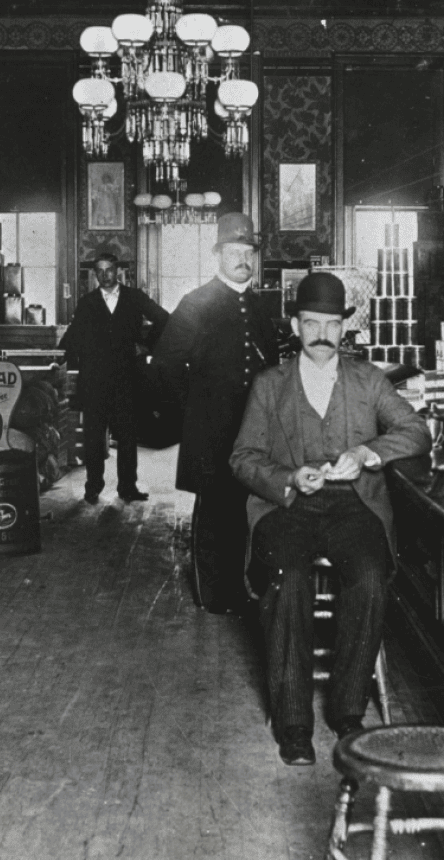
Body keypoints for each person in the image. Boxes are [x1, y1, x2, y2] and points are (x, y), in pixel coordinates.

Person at [230, 273, 430, 765]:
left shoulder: (368, 381)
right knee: (290, 577)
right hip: (287, 506)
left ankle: (348, 712)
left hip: (353, 504)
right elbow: (242, 458)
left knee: (367, 576)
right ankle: (294, 723)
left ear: (346, 328)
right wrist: (290, 477)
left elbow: (415, 431)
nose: (322, 334)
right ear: (296, 326)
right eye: (311, 323)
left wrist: (366, 453)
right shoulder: (270, 385)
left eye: (332, 325)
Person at [151, 213, 279, 614]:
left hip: (256, 430)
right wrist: (193, 409)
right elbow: (165, 366)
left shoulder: (260, 307)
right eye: (234, 251)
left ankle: (245, 587)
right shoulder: (196, 303)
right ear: (218, 256)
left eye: (248, 252)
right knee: (214, 512)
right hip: (211, 428)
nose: (243, 259)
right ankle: (214, 595)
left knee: (250, 506)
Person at [61, 251, 169, 503]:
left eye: (109, 270)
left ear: (118, 271)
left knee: (127, 436)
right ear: (94, 274)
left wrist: (145, 345)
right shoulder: (87, 302)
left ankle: (127, 488)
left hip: (126, 379)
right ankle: (93, 486)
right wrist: (60, 357)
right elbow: (74, 337)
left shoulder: (134, 297)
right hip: (95, 379)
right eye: (99, 271)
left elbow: (164, 319)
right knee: (93, 436)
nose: (104, 275)